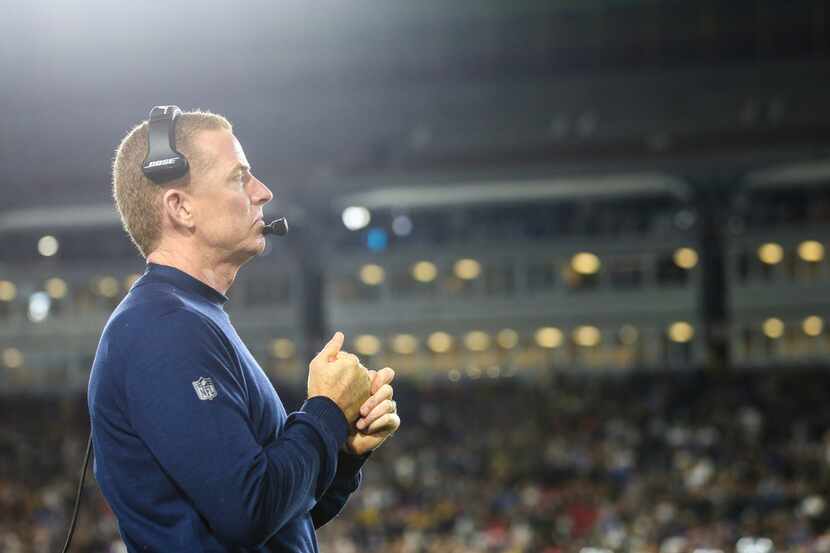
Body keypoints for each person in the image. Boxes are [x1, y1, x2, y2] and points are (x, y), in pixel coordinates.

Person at [88, 109, 400, 552]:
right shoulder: (162, 328)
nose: (263, 192)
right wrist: (326, 410)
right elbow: (247, 513)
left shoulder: (193, 317)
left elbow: (286, 517)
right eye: (239, 178)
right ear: (180, 207)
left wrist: (343, 447)